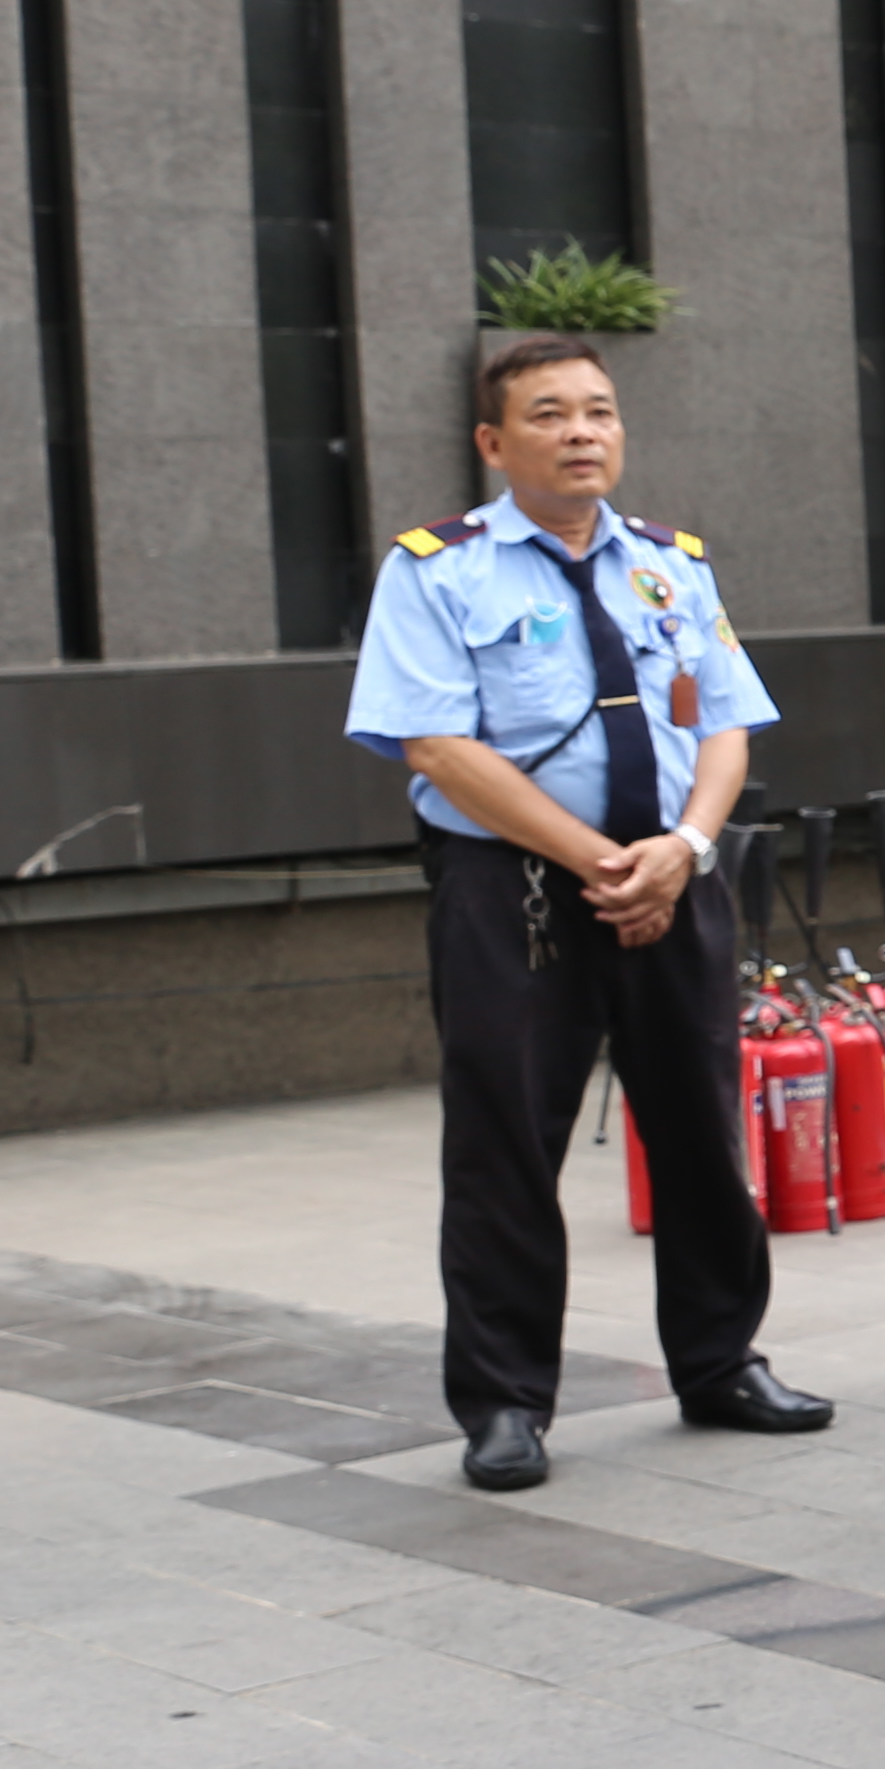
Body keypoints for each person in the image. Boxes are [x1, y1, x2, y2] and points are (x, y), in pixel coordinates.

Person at [346, 336, 833, 1489]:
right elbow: (437, 748)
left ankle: (720, 1363)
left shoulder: (671, 564)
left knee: (702, 1134)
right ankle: (506, 1402)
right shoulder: (436, 571)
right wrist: (600, 862)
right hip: (514, 892)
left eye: (600, 413)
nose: (581, 433)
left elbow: (724, 721)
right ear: (492, 440)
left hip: (677, 875)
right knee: (506, 1147)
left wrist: (686, 849)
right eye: (551, 413)